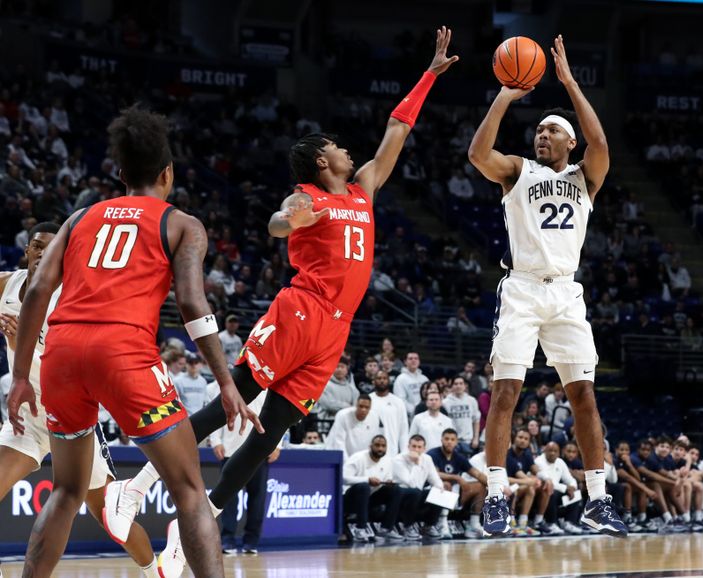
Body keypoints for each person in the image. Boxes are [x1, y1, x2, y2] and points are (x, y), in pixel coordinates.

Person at [103, 28, 458, 577]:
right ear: (321, 160)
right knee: (234, 397)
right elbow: (276, 221)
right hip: (301, 310)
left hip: (336, 330)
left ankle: (190, 529)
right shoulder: (309, 197)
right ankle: (138, 486)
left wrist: (429, 76)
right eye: (337, 145)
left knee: (272, 432)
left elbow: (396, 129)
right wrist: (288, 219)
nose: (347, 149)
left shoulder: (363, 189)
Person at [6, 107, 258, 578]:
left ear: (120, 174)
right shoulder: (182, 224)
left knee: (66, 490)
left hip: (59, 351)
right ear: (168, 173)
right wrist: (225, 381)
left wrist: (21, 376)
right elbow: (192, 306)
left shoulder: (80, 217)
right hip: (122, 352)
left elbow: (38, 289)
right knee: (188, 490)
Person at [467, 34, 625, 536]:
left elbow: (601, 144)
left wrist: (570, 83)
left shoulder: (586, 178)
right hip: (522, 289)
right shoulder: (518, 172)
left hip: (566, 294)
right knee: (506, 390)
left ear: (568, 141)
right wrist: (506, 94)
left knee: (584, 396)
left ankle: (597, 500)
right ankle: (496, 496)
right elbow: (477, 153)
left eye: (551, 132)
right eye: (537, 130)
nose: (541, 136)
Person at [0, 223, 160, 578]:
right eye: (37, 246)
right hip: (26, 420)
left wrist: (20, 351)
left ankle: (154, 571)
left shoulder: (73, 297)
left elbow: (75, 368)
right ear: (26, 250)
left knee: (107, 516)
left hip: (71, 418)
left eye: (52, 247)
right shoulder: (6, 285)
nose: (43, 253)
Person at [207, 383, 274, 554]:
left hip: (259, 450)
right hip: (230, 449)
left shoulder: (269, 387)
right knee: (228, 499)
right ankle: (227, 540)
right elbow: (215, 412)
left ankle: (251, 541)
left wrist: (277, 444)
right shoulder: (226, 385)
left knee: (257, 499)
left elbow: (277, 415)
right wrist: (216, 441)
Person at [342, 435, 405, 542]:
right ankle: (360, 529)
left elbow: (386, 478)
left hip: (370, 498)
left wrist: (388, 483)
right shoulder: (358, 458)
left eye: (383, 446)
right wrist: (367, 479)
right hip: (350, 498)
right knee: (364, 486)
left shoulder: (387, 460)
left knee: (396, 489)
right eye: (377, 445)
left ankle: (386, 529)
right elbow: (344, 478)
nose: (380, 448)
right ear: (370, 446)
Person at [427, 428, 487, 538]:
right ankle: (442, 524)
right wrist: (457, 478)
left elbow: (477, 474)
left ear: (456, 442)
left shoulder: (459, 457)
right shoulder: (433, 454)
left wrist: (495, 485)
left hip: (453, 493)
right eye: (446, 439)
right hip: (431, 491)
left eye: (452, 439)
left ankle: (474, 524)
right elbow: (434, 474)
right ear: (441, 440)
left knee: (480, 486)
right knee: (446, 484)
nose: (449, 441)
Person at [392, 434, 445, 539]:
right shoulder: (398, 460)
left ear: (424, 449)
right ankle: (407, 527)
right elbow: (411, 484)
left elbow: (435, 479)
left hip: (418, 495)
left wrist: (439, 488)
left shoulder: (427, 459)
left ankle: (429, 526)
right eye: (414, 446)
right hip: (402, 497)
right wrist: (416, 463)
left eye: (419, 447)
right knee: (414, 492)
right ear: (408, 447)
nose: (416, 449)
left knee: (439, 492)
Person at [326, 393, 382, 460]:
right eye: (361, 406)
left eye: (366, 407)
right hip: (336, 455)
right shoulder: (343, 415)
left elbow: (373, 441)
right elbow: (339, 442)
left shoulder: (374, 417)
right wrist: (347, 463)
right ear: (356, 406)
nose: (363, 410)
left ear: (370, 407)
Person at [369, 370, 408, 457]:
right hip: (371, 448)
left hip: (392, 449)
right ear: (373, 381)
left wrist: (404, 452)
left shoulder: (398, 402)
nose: (382, 381)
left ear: (389, 381)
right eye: (379, 378)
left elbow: (403, 429)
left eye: (384, 378)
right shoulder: (368, 400)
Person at [442, 375, 481, 455]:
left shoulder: (472, 400)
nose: (458, 386)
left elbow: (476, 420)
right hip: (451, 441)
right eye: (455, 384)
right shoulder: (445, 403)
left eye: (461, 383)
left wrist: (476, 438)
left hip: (468, 440)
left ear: (465, 386)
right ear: (452, 386)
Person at [393, 351, 429, 418]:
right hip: (410, 416)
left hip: (427, 413)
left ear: (419, 361)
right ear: (405, 362)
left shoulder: (424, 379)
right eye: (410, 358)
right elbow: (400, 400)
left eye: (416, 358)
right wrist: (415, 410)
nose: (413, 360)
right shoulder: (400, 379)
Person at [174, 352, 209, 416]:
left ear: (201, 364)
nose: (194, 366)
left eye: (196, 363)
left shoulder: (203, 381)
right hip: (185, 418)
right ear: (186, 364)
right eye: (191, 363)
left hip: (199, 417)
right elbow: (175, 402)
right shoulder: (178, 381)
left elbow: (205, 401)